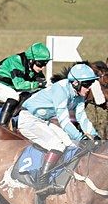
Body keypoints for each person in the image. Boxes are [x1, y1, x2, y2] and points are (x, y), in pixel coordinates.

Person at [17, 63, 101, 196]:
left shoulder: (78, 95)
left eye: (90, 83)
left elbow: (82, 118)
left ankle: (61, 176)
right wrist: (81, 138)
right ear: (75, 83)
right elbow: (64, 121)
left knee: (71, 144)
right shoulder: (61, 89)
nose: (89, 88)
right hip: (29, 120)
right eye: (86, 84)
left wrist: (95, 136)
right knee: (57, 144)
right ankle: (42, 182)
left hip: (44, 121)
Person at [0, 42, 51, 127]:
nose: (42, 67)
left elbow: (42, 85)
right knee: (14, 96)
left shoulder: (33, 67)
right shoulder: (17, 61)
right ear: (31, 60)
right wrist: (37, 84)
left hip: (5, 84)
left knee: (27, 95)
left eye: (45, 64)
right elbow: (19, 85)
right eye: (40, 63)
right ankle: (2, 126)